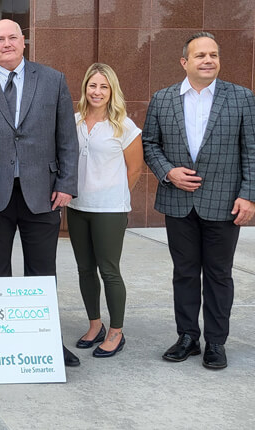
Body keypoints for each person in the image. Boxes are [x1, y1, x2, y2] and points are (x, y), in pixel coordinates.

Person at [0, 19, 81, 366]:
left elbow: (67, 138)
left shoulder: (52, 79)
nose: (7, 43)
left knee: (41, 273)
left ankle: (46, 343)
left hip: (42, 193)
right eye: (0, 39)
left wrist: (67, 185)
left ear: (23, 42)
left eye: (13, 37)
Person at [143, 32, 255, 370]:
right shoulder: (163, 99)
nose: (208, 60)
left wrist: (249, 195)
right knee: (185, 273)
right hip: (179, 201)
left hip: (224, 202)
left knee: (219, 274)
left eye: (213, 55)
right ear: (184, 62)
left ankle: (216, 343)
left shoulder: (242, 98)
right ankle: (188, 337)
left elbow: (251, 151)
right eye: (200, 55)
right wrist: (168, 172)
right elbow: (150, 144)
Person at [69, 63, 143, 358]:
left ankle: (116, 331)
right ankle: (95, 324)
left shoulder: (124, 126)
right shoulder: (73, 121)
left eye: (103, 87)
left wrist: (113, 195)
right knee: (85, 269)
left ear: (112, 91)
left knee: (109, 270)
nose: (97, 92)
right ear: (85, 88)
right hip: (76, 206)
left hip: (109, 210)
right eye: (92, 85)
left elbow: (135, 169)